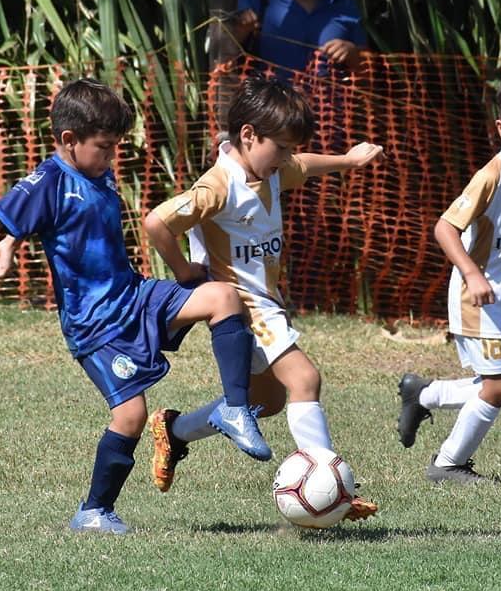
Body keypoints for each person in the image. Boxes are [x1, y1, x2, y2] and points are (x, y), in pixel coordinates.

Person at [0, 78, 271, 535]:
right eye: (104, 147)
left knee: (222, 296)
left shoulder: (94, 168)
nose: (111, 156)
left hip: (133, 296)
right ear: (69, 140)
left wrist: (10, 244)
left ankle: (234, 409)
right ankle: (94, 512)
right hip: (96, 327)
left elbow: (35, 224)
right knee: (131, 415)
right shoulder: (48, 180)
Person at [142, 76, 382, 520]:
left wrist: (348, 161)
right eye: (283, 147)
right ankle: (330, 488)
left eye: (291, 148)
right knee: (305, 380)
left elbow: (304, 166)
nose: (288, 158)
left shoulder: (267, 167)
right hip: (246, 308)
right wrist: (183, 271)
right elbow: (157, 222)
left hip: (266, 302)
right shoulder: (219, 184)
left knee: (267, 403)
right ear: (249, 136)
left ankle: (174, 430)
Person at [396, 76, 501, 484]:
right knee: (500, 385)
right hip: (479, 300)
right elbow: (445, 229)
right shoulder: (493, 176)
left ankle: (424, 395)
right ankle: (448, 464)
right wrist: (472, 273)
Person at [228, 0, 366, 77]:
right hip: (270, 109)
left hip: (331, 110)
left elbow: (367, 72)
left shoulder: (345, 6)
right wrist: (241, 30)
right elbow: (222, 49)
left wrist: (352, 53)